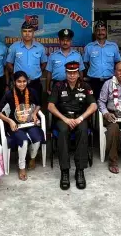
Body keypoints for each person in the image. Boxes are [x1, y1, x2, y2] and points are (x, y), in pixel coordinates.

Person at [48, 61, 97, 190]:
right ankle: (65, 171)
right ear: (66, 73)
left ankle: (80, 170)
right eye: (69, 73)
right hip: (63, 118)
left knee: (83, 129)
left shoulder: (85, 86)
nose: (72, 75)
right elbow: (50, 106)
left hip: (79, 118)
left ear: (78, 73)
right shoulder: (58, 86)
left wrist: (81, 118)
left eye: (74, 73)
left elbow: (93, 105)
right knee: (63, 131)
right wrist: (64, 119)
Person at [0, 71, 44, 181]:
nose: (22, 84)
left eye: (24, 81)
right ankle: (22, 167)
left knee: (37, 138)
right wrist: (9, 121)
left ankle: (32, 158)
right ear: (14, 82)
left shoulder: (32, 91)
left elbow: (38, 104)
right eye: (19, 81)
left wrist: (34, 113)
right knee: (23, 141)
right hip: (16, 125)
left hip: (30, 123)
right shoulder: (8, 94)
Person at [6, 20, 47, 99]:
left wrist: (36, 72)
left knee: (36, 105)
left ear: (33, 33)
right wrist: (16, 74)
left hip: (35, 83)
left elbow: (44, 63)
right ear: (21, 32)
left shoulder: (40, 47)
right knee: (19, 107)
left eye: (29, 31)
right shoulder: (14, 47)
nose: (27, 33)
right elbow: (9, 64)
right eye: (25, 31)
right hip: (19, 84)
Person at [83, 20, 121, 98]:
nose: (101, 32)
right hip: (93, 81)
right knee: (94, 102)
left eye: (103, 30)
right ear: (95, 32)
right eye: (98, 30)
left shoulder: (113, 46)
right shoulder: (89, 47)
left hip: (109, 80)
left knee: (109, 103)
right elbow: (85, 63)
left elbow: (118, 63)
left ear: (106, 31)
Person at [46, 29, 84, 94]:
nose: (65, 43)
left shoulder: (77, 55)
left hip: (73, 85)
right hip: (57, 85)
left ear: (71, 41)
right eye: (63, 40)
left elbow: (80, 72)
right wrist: (48, 88)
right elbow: (49, 73)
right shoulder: (53, 56)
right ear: (59, 41)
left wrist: (82, 85)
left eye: (67, 40)